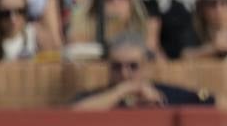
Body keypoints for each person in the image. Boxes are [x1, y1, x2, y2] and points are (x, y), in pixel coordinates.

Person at [72, 38, 217, 108]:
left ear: (147, 67)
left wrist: (161, 105)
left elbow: (221, 104)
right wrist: (121, 91)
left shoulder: (166, 94)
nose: (124, 73)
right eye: (117, 66)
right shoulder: (97, 96)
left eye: (133, 66)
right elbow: (72, 114)